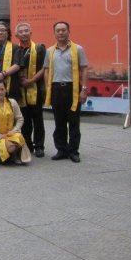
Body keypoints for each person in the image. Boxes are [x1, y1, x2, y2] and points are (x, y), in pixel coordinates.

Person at [44, 21, 88, 163]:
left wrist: (84, 89)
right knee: (59, 122)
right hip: (56, 89)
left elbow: (84, 69)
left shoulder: (78, 49)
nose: (61, 32)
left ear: (69, 32)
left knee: (74, 122)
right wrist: (48, 89)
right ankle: (61, 150)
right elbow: (46, 70)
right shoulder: (50, 51)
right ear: (54, 33)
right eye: (58, 30)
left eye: (63, 30)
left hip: (72, 89)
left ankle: (73, 151)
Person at [15, 22, 46, 157]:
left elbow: (44, 68)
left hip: (36, 88)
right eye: (21, 31)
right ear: (16, 35)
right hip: (20, 90)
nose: (24, 33)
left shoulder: (39, 48)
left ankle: (39, 146)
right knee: (24, 119)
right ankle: (27, 144)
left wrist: (31, 81)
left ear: (30, 32)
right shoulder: (15, 50)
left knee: (38, 119)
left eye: (26, 30)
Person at [0, 79, 31, 165]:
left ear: (6, 90)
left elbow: (20, 119)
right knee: (11, 147)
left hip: (11, 134)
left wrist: (14, 130)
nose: (0, 92)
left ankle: (12, 155)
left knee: (19, 139)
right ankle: (7, 155)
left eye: (2, 89)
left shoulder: (12, 103)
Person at [0, 21, 21, 101]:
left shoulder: (15, 48)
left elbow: (17, 65)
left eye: (3, 30)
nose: (0, 32)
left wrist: (3, 74)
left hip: (11, 84)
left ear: (8, 33)